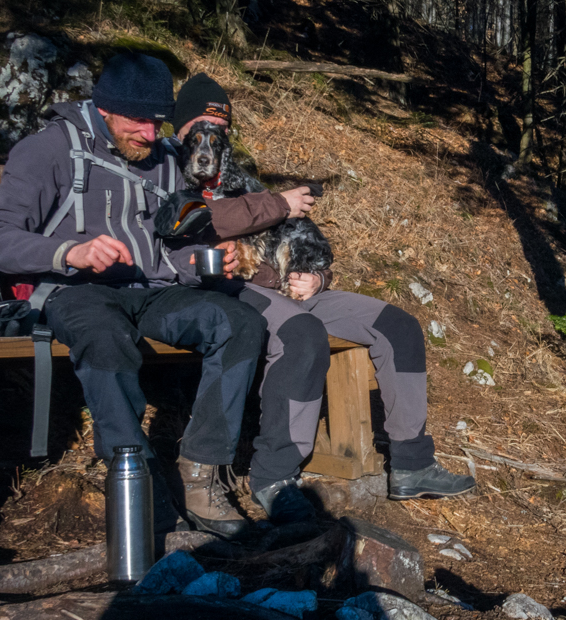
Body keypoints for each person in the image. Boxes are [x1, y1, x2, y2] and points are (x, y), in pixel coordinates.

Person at [172, 74, 475, 525]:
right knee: (302, 334)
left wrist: (315, 275)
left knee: (398, 325)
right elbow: (196, 221)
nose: (207, 146)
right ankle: (273, 478)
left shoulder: (243, 181)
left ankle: (412, 464)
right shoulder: (166, 176)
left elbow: (296, 234)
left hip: (284, 288)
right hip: (231, 292)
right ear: (179, 133)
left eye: (219, 135)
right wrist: (278, 205)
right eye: (199, 133)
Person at [0, 53, 268, 538]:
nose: (151, 133)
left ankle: (203, 472)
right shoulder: (49, 150)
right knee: (105, 337)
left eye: (158, 121)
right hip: (75, 291)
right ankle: (137, 485)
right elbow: (1, 237)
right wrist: (69, 252)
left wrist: (206, 260)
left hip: (152, 291)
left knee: (240, 323)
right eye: (138, 121)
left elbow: (176, 243)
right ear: (105, 108)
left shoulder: (162, 158)